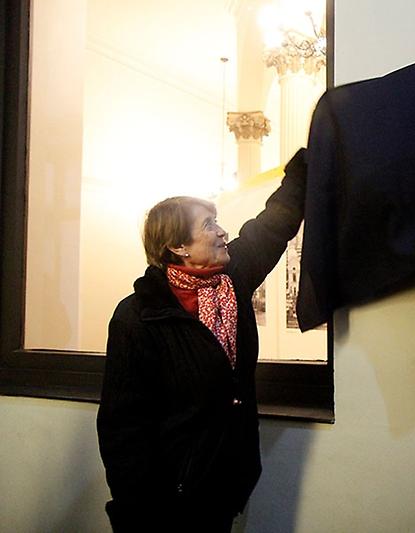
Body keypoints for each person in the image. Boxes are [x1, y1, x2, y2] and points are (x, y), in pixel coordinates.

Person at [96, 148, 307, 532]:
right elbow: (122, 426)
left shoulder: (232, 280)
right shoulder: (139, 315)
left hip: (224, 487)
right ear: (178, 246)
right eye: (209, 224)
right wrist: (136, 509)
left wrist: (306, 167)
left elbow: (273, 226)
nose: (222, 231)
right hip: (163, 503)